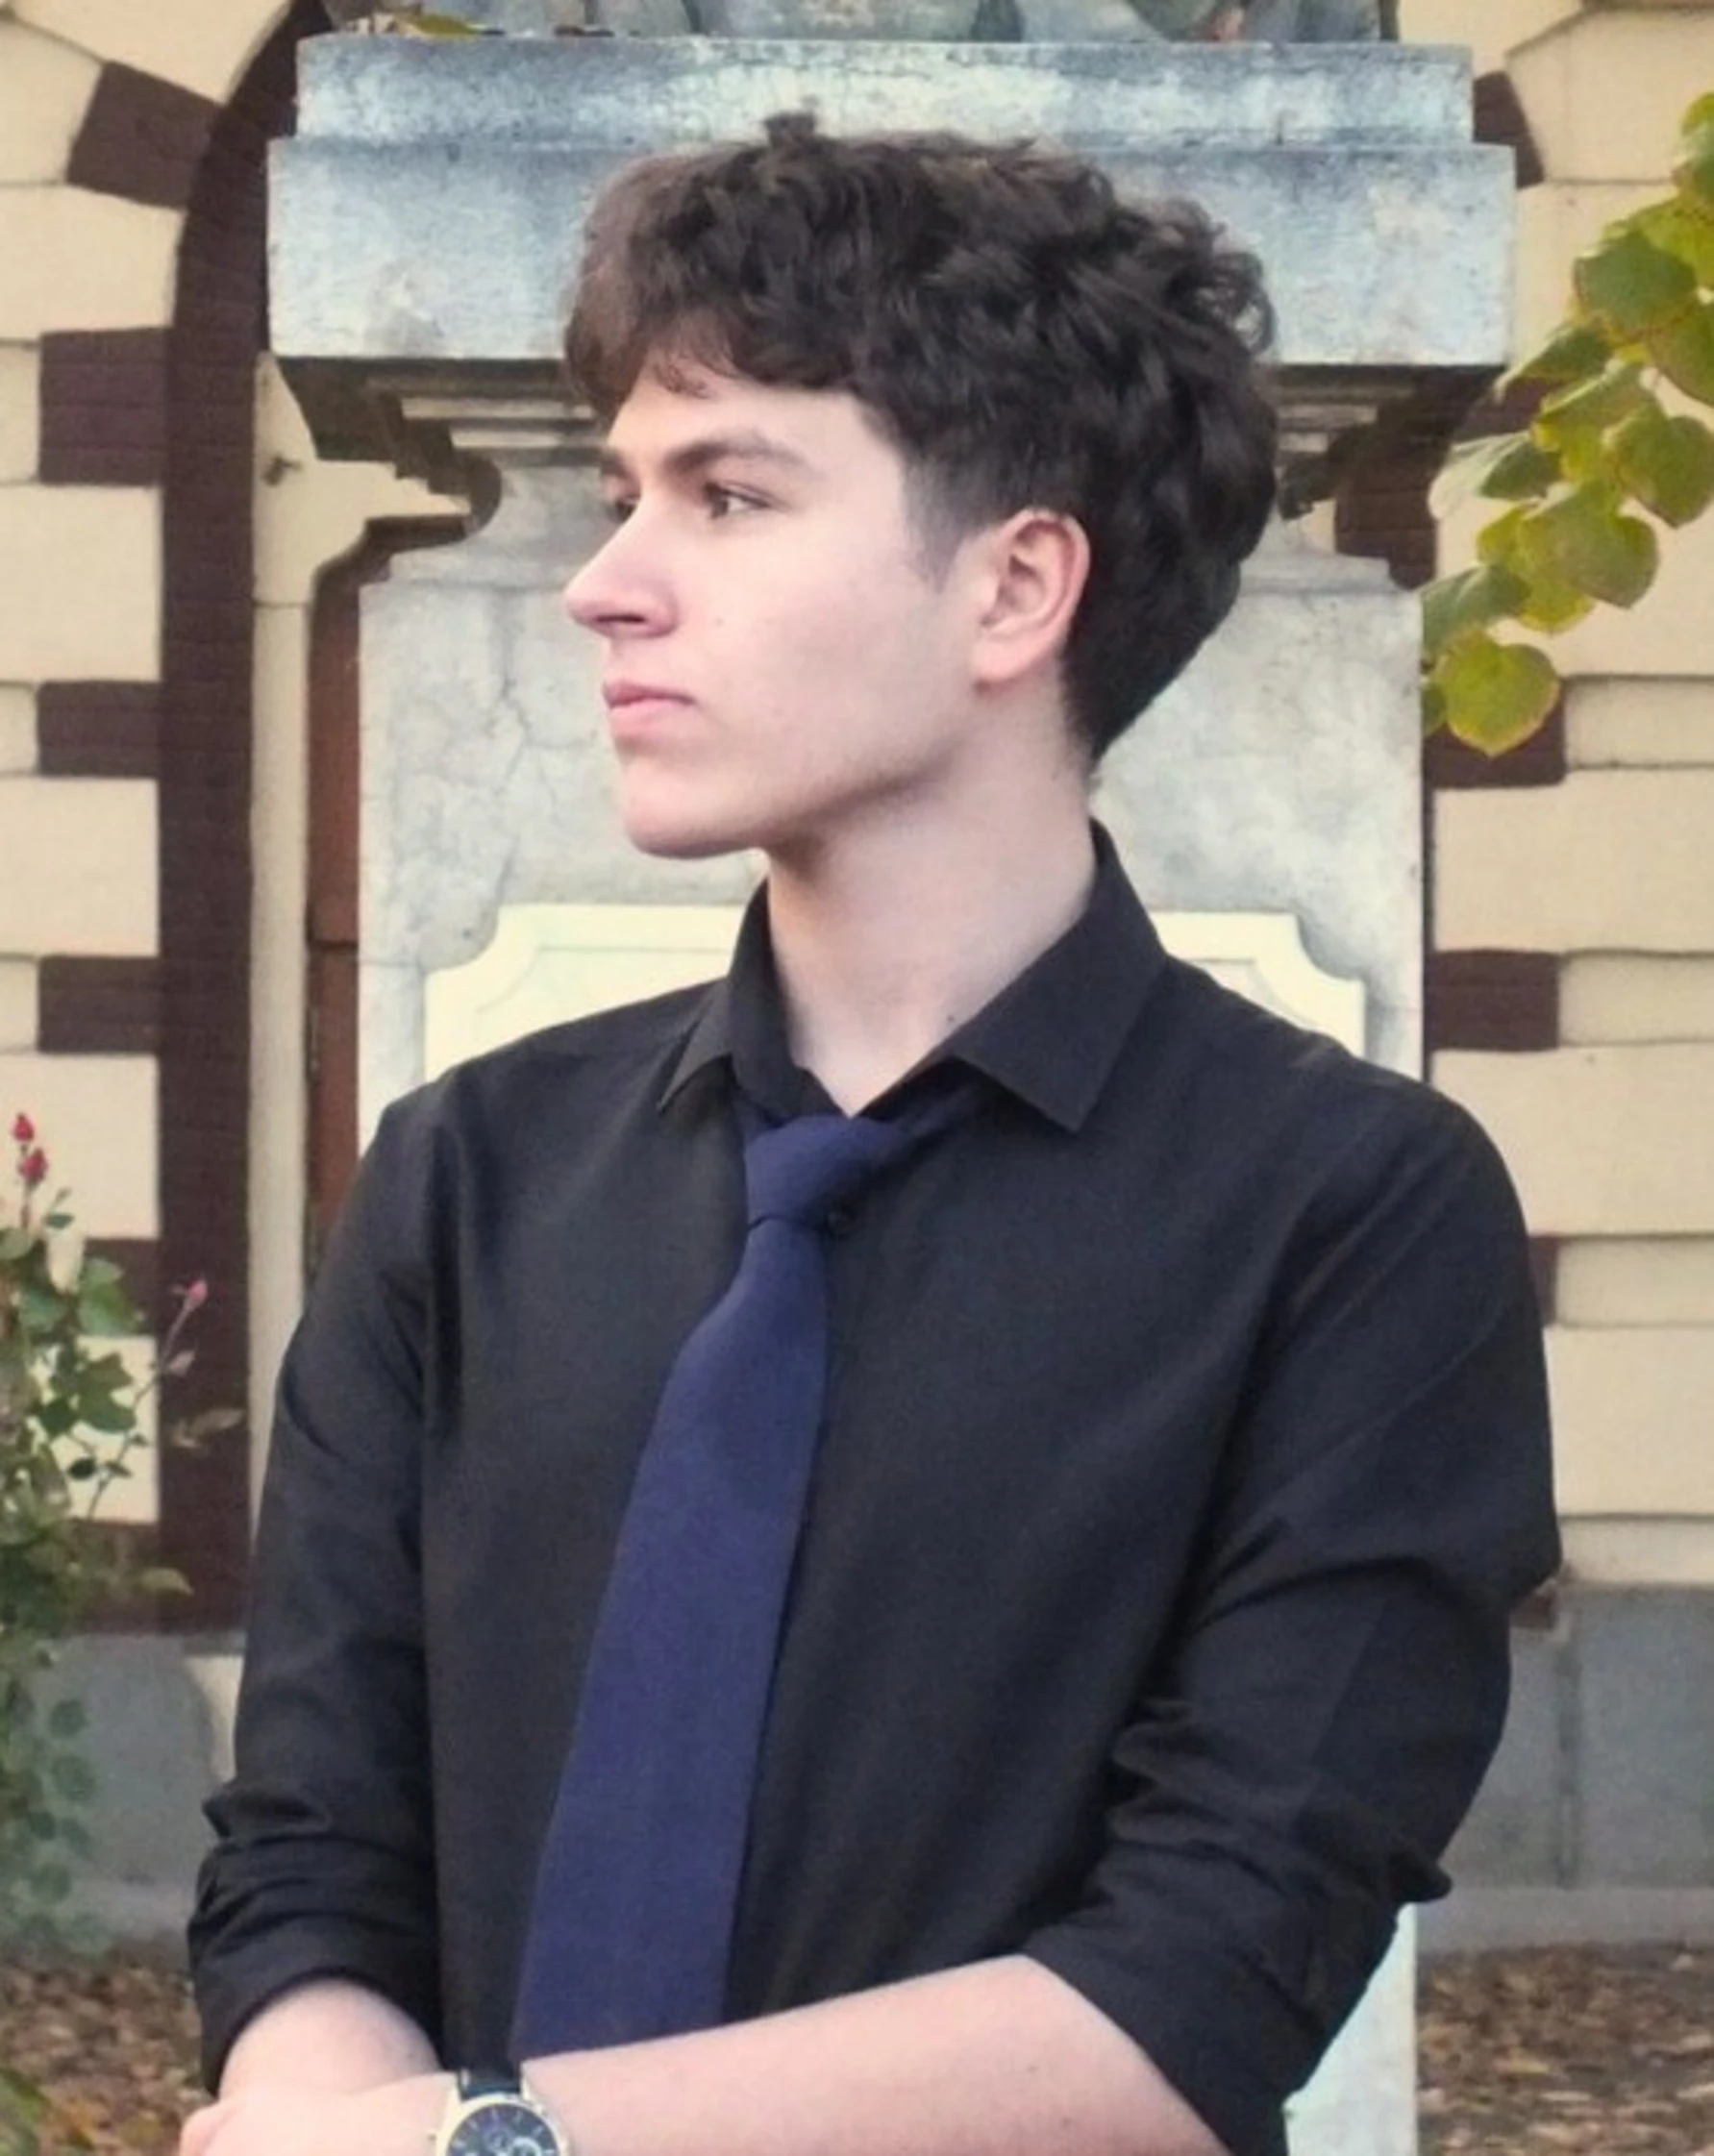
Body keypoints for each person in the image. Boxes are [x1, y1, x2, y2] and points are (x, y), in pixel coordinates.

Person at [184, 114, 1557, 2156]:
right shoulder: (466, 1171)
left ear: (1015, 585)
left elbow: (1194, 1988)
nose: (605, 587)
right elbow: (309, 1853)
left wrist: (491, 2140)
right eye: (622, 495)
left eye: (729, 495)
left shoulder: (1348, 1214)